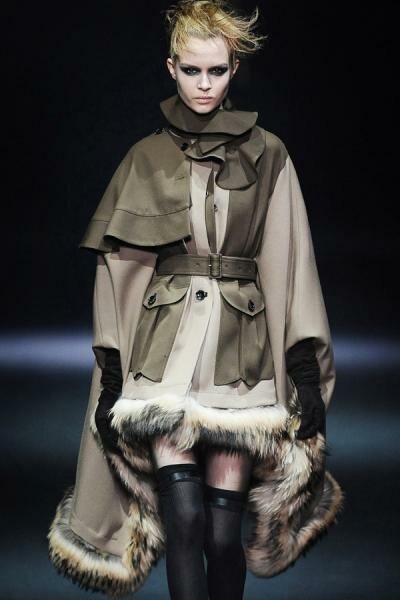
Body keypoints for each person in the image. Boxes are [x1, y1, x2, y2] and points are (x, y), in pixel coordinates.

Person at [47, 1, 344, 599]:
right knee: (183, 519)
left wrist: (304, 370)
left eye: (216, 70)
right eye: (191, 70)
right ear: (170, 68)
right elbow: (119, 270)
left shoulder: (269, 154)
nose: (204, 84)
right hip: (164, 358)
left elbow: (290, 261)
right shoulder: (145, 158)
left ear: (234, 70)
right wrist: (111, 369)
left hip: (242, 362)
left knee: (222, 534)